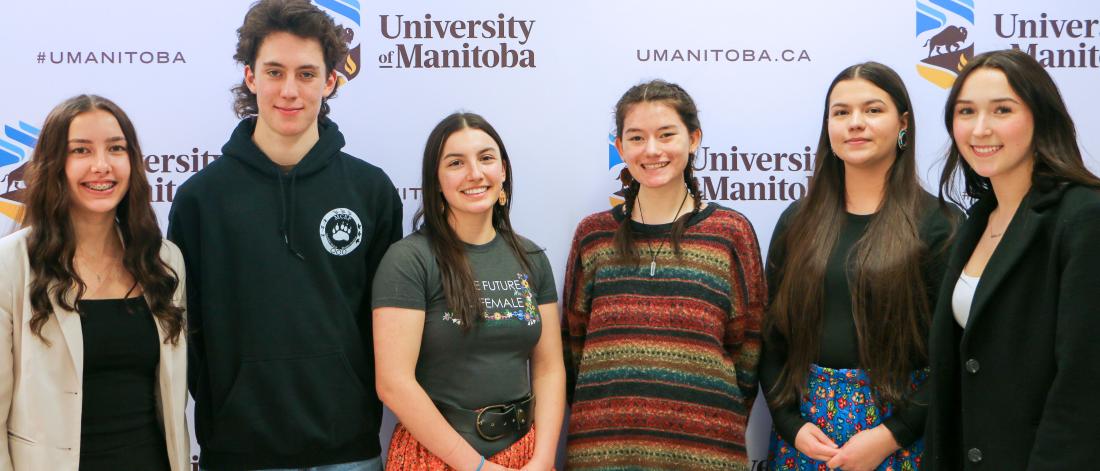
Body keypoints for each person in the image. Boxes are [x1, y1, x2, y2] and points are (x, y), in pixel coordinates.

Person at [167, 1, 401, 469]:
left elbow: (391, 329)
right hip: (238, 452)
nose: (289, 90)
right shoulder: (200, 200)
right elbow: (181, 336)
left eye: (307, 74)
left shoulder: (371, 191)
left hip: (348, 450)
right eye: (274, 72)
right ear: (251, 78)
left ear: (331, 81)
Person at [758, 62, 958, 471]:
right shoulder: (797, 222)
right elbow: (771, 338)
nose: (855, 123)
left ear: (903, 123)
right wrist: (790, 424)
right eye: (841, 112)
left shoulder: (941, 224)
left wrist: (892, 435)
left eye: (872, 110)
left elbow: (953, 353)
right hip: (806, 441)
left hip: (901, 439)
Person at [562, 79, 766, 470]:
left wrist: (705, 421)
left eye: (666, 135)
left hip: (706, 451)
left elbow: (749, 348)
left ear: (693, 139)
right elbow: (574, 346)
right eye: (636, 138)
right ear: (620, 148)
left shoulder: (730, 232)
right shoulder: (593, 236)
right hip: (603, 453)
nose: (652, 150)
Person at [925, 48, 1100, 470]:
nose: (980, 129)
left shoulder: (1083, 215)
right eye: (966, 112)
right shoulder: (976, 222)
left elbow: (1084, 383)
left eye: (1002, 110)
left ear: (1041, 117)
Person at [0, 95, 189, 470]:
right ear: (55, 164)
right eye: (81, 150)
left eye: (116, 149)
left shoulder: (164, 261)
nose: (101, 166)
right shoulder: (11, 264)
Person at [372, 112, 564, 471]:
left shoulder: (531, 258)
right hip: (436, 458)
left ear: (503, 170)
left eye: (486, 158)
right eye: (456, 163)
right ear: (436, 179)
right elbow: (393, 383)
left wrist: (542, 459)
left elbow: (549, 369)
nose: (474, 173)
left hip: (525, 456)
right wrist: (475, 467)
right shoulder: (409, 260)